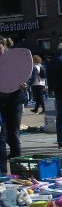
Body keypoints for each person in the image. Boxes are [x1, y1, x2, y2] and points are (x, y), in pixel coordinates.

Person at [0, 36, 27, 175]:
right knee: (2, 137)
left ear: (3, 46)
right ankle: (3, 173)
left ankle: (18, 168)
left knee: (14, 135)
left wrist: (23, 86)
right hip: (2, 102)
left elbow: (23, 77)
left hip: (14, 101)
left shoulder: (13, 61)